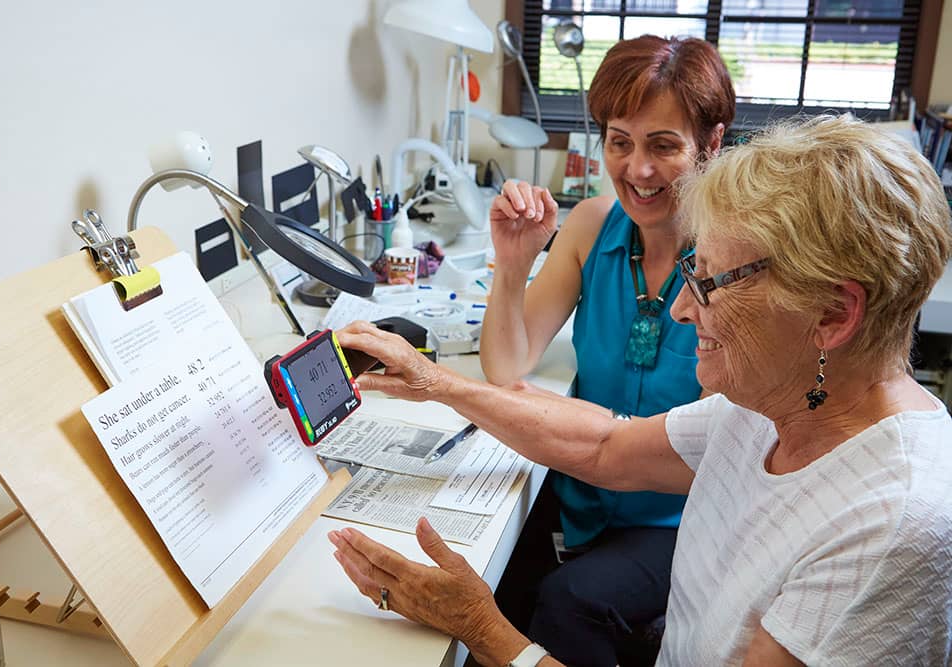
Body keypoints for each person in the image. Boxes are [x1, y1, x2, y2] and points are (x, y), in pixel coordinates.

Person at [329, 114, 952, 666]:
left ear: (832, 315)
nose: (681, 308)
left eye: (710, 283)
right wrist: (436, 383)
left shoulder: (887, 530)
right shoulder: (774, 404)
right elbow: (605, 446)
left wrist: (482, 629)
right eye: (690, 273)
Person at [478, 35, 735, 665]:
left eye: (663, 146)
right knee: (486, 583)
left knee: (568, 602)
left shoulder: (735, 257)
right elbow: (506, 366)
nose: (637, 170)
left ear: (712, 144)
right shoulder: (592, 226)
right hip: (584, 499)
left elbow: (703, 448)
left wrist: (568, 426)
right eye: (620, 142)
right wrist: (513, 265)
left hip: (678, 521)